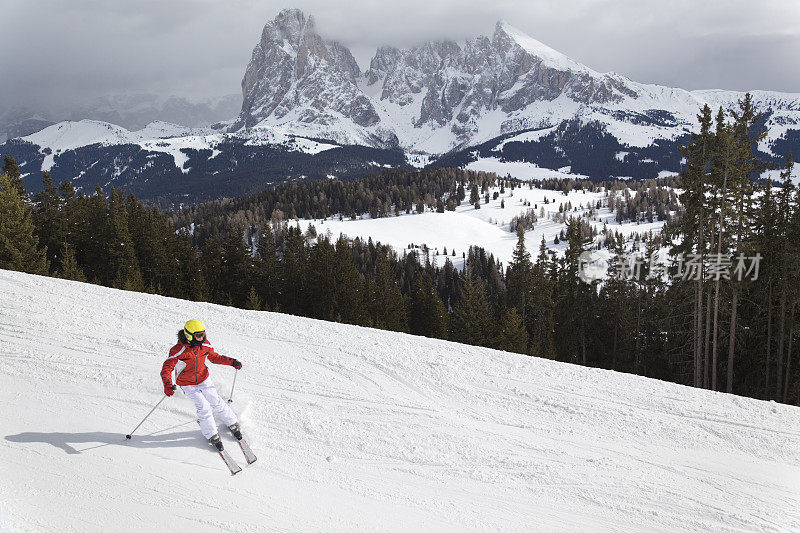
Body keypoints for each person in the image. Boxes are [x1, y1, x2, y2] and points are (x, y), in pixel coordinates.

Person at [161, 319, 243, 451]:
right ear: (189, 335)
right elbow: (167, 367)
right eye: (198, 335)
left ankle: (232, 422)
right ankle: (212, 434)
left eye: (203, 334)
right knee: (203, 406)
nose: (202, 338)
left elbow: (215, 357)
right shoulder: (178, 350)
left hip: (203, 378)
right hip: (187, 384)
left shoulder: (205, 345)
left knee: (215, 400)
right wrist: (167, 384)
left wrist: (232, 362)